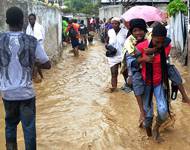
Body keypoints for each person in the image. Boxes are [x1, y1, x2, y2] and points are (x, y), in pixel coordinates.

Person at [0, 7, 51, 149]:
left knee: (10, 126)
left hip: (7, 93)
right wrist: (33, 62)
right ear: (23, 21)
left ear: (6, 21)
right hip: (26, 94)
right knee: (29, 129)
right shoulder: (31, 41)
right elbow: (47, 64)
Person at [105, 17, 128, 92]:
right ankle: (114, 88)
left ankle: (128, 87)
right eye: (113, 23)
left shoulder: (125, 32)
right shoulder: (109, 31)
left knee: (125, 73)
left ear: (119, 24)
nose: (114, 25)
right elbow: (106, 41)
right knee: (114, 73)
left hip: (123, 55)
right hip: (113, 56)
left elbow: (130, 42)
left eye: (116, 23)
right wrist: (108, 46)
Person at [26, 13, 45, 82]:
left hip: (38, 46)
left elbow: (43, 36)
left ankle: (35, 77)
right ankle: (41, 77)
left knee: (37, 62)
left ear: (35, 19)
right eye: (29, 19)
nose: (31, 20)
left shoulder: (40, 27)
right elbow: (27, 38)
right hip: (31, 48)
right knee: (36, 63)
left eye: (32, 19)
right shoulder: (28, 28)